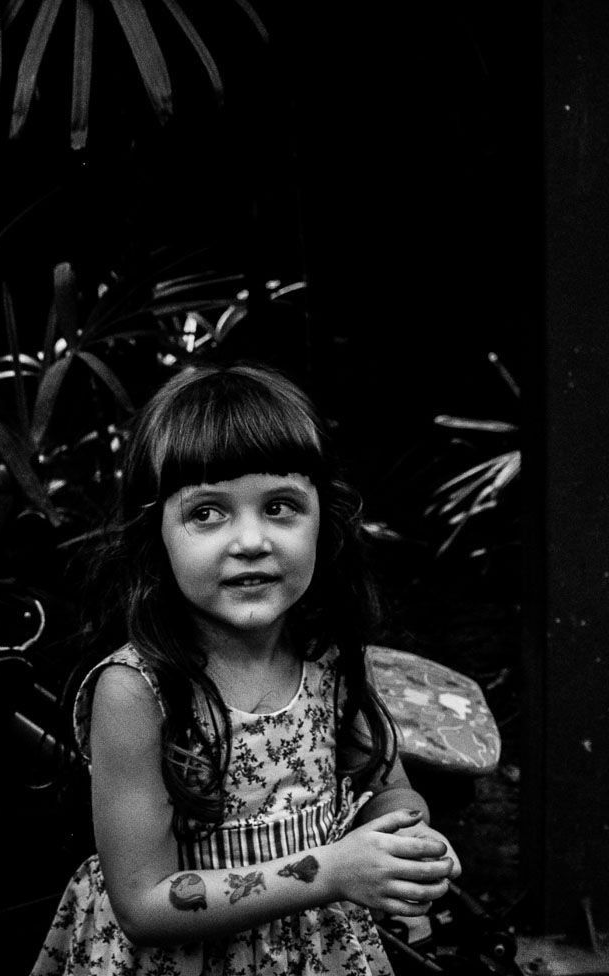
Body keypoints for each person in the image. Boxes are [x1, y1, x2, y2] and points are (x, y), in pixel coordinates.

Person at [29, 363, 461, 976]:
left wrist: (411, 843)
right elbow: (143, 904)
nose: (251, 540)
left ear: (324, 522)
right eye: (207, 513)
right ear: (157, 535)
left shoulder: (329, 657)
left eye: (281, 506)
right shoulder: (136, 691)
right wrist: (330, 871)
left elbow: (387, 786)